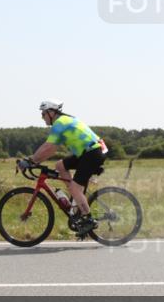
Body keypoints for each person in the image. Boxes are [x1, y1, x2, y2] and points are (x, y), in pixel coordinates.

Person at [19, 100, 107, 236]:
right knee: (60, 165)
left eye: (43, 113)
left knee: (74, 187)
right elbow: (51, 149)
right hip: (88, 152)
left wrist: (31, 161)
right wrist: (34, 161)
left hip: (92, 153)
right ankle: (75, 201)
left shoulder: (60, 123)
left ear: (51, 112)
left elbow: (48, 147)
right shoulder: (63, 120)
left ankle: (89, 219)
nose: (42, 117)